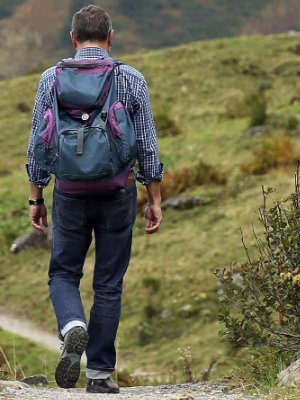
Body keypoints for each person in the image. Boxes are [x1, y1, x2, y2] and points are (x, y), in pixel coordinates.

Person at [26, 5, 163, 394]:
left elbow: (38, 141)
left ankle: (73, 325)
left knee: (63, 273)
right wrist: (154, 198)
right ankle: (100, 374)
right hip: (117, 192)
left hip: (68, 193)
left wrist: (36, 196)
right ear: (110, 37)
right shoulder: (130, 78)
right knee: (108, 283)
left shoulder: (51, 78)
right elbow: (148, 146)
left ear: (73, 38)